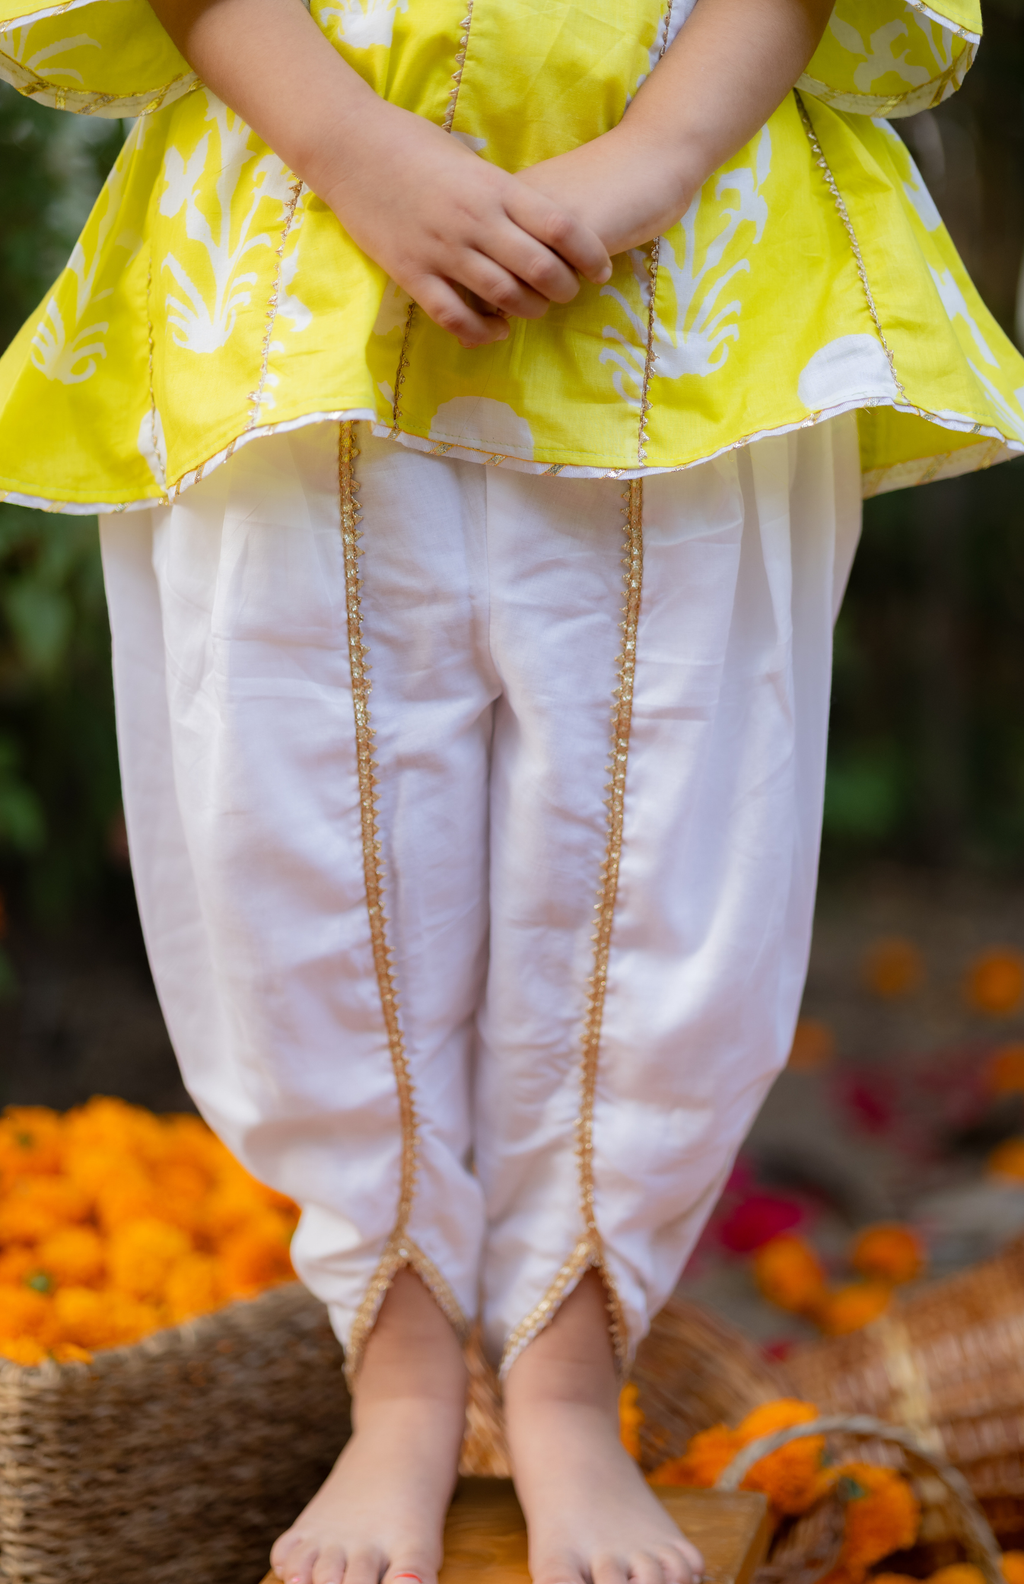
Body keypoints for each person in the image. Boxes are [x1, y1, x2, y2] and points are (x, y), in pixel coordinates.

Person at [0, 0, 1022, 1580]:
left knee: (668, 823)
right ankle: (402, 1381)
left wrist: (657, 156)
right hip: (299, 230)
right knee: (297, 822)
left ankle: (566, 1382)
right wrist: (352, 144)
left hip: (683, 259)